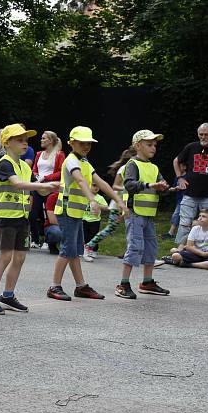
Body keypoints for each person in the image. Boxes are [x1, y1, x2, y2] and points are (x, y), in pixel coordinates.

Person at [0, 124, 60, 315]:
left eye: (26, 140)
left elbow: (36, 187)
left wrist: (52, 187)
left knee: (20, 257)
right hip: (7, 218)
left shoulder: (24, 166)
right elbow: (17, 184)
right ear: (6, 143)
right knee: (5, 257)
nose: (25, 144)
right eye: (19, 140)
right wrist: (45, 185)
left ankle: (7, 295)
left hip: (22, 218)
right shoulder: (4, 163)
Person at [47, 126, 127, 302]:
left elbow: (102, 183)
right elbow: (80, 180)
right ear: (72, 143)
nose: (86, 147)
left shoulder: (84, 162)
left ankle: (81, 286)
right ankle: (54, 286)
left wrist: (118, 200)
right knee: (68, 249)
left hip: (76, 212)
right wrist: (92, 199)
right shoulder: (71, 161)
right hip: (67, 211)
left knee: (75, 250)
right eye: (82, 143)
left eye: (89, 144)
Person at [115, 130, 171, 299]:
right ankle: (123, 284)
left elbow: (159, 187)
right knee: (135, 247)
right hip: (134, 214)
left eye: (155, 145)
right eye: (149, 144)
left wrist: (165, 188)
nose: (153, 147)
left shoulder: (154, 167)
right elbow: (130, 184)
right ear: (138, 146)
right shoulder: (132, 164)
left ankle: (147, 282)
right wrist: (151, 185)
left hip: (148, 215)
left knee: (151, 248)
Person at [172, 123, 208, 244]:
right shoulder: (191, 147)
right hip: (190, 193)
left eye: (206, 134)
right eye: (201, 134)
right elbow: (176, 161)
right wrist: (180, 177)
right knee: (184, 223)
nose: (203, 137)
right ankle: (179, 251)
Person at [84, 147, 133, 261]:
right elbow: (115, 186)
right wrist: (129, 188)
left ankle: (132, 253)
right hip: (118, 204)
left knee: (133, 229)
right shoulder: (124, 168)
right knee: (110, 228)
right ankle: (89, 246)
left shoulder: (133, 168)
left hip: (128, 203)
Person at [29, 131, 64, 246]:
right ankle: (35, 239)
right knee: (32, 214)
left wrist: (46, 177)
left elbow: (61, 172)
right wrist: (36, 176)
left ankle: (48, 241)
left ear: (51, 141)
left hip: (51, 188)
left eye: (44, 138)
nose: (41, 140)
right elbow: (34, 168)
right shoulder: (39, 154)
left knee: (48, 215)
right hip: (38, 186)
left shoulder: (59, 154)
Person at [81, 183, 109, 252]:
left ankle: (94, 250)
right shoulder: (84, 195)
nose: (96, 188)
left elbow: (106, 208)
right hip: (84, 219)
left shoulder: (99, 198)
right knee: (84, 236)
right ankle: (85, 250)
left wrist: (98, 206)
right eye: (94, 185)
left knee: (93, 236)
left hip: (95, 221)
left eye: (98, 186)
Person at [161, 163, 185, 240]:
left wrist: (181, 188)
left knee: (176, 215)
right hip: (179, 200)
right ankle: (173, 233)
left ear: (185, 167)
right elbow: (174, 187)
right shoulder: (178, 177)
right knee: (178, 216)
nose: (177, 168)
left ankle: (171, 233)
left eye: (179, 166)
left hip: (185, 200)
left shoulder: (188, 177)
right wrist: (173, 189)